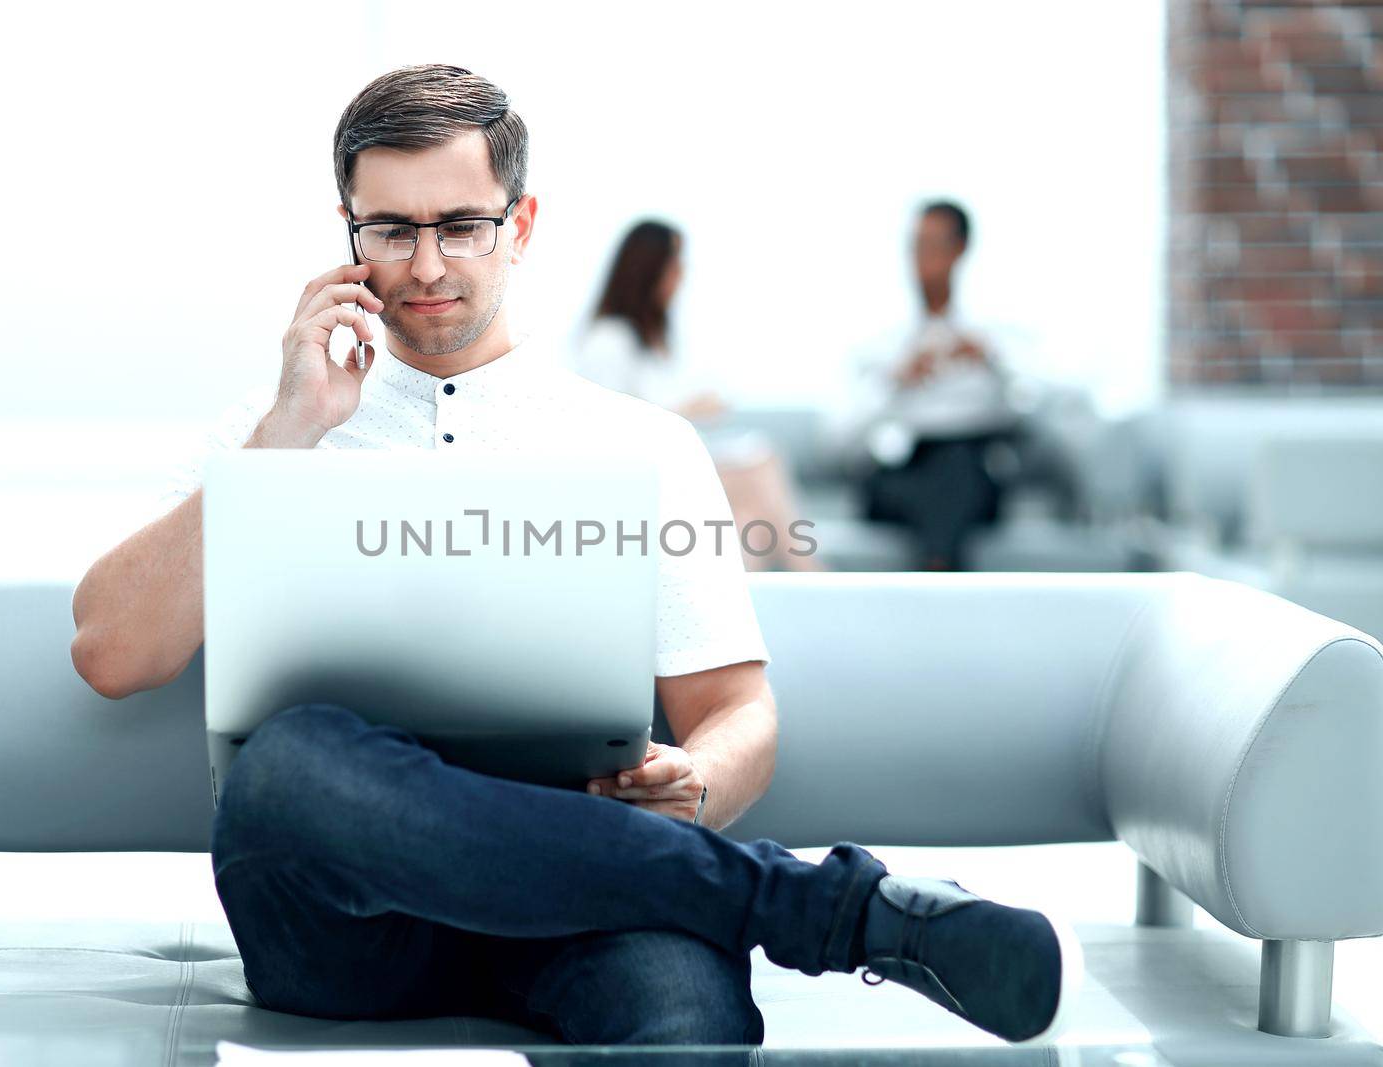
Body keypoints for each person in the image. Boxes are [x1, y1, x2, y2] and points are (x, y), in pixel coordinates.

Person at [70, 65, 1079, 1052]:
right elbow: (110, 650)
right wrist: (291, 429)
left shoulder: (640, 444)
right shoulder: (269, 428)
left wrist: (695, 778)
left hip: (584, 894)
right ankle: (828, 907)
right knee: (286, 766)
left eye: (461, 225)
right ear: (347, 230)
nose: (426, 265)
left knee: (692, 1014)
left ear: (523, 224)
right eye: (391, 229)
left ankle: (780, 899)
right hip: (343, 925)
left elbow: (738, 713)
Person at [575, 220, 823, 573]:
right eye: (676, 264)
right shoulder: (609, 341)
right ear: (650, 270)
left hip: (667, 467)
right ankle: (812, 575)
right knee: (760, 466)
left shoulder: (657, 343)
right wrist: (688, 410)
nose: (682, 275)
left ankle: (740, 617)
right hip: (636, 481)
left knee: (749, 526)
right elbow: (609, 428)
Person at [854, 200, 1021, 571]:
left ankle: (936, 566)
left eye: (934, 246)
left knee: (957, 466)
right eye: (915, 247)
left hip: (971, 463)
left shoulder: (996, 334)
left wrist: (994, 363)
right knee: (940, 479)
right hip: (903, 465)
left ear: (960, 250)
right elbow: (835, 438)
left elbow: (1031, 414)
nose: (921, 259)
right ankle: (941, 572)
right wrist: (895, 382)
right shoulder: (882, 337)